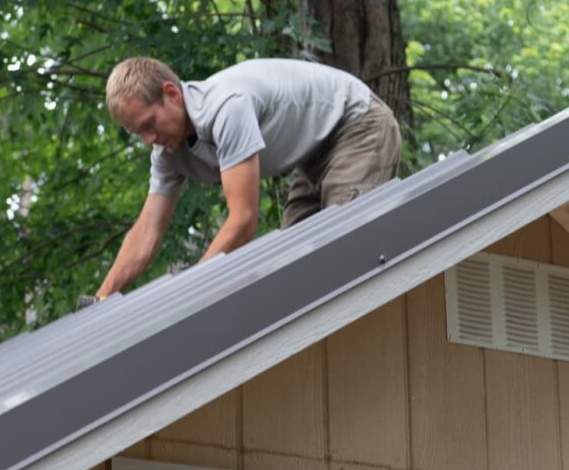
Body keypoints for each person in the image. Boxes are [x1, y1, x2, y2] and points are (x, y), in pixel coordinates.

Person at [86, 56, 401, 303]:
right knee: (295, 263)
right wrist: (102, 298)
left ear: (172, 93)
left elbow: (243, 221)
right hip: (312, 158)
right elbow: (145, 234)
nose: (148, 139)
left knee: (341, 246)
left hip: (355, 124)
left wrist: (192, 290)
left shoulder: (226, 107)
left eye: (149, 124)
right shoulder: (168, 153)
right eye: (138, 132)